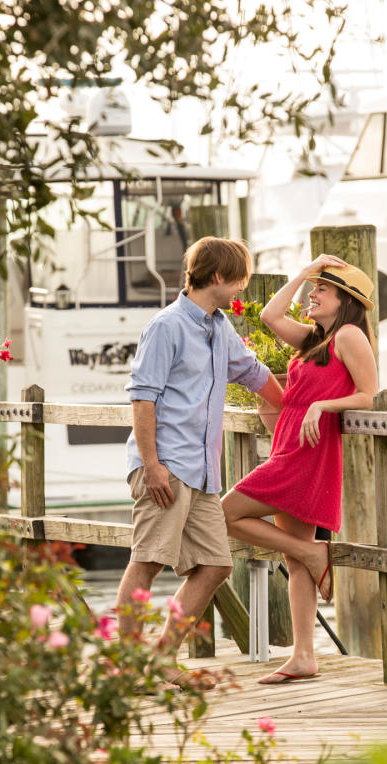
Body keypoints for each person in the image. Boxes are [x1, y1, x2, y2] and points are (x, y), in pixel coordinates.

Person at [115, 237, 284, 657]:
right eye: (240, 280)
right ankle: (130, 665)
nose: (242, 288)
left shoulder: (219, 327)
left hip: (204, 470)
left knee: (216, 565)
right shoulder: (166, 326)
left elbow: (252, 372)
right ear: (218, 276)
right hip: (166, 466)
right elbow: (142, 397)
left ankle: (160, 658)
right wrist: (151, 465)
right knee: (148, 561)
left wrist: (296, 411)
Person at [221, 255, 379, 685]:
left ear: (345, 300)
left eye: (322, 288)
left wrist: (321, 405)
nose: (312, 293)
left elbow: (370, 395)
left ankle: (315, 556)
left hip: (305, 455)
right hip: (287, 445)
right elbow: (271, 315)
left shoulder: (349, 335)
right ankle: (304, 655)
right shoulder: (315, 338)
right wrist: (308, 269)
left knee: (223, 515)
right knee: (294, 553)